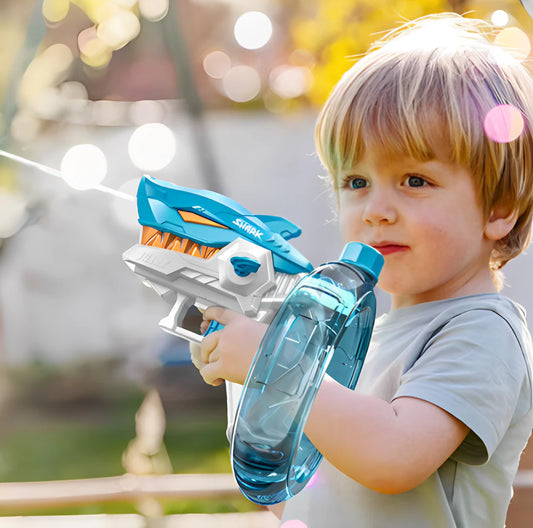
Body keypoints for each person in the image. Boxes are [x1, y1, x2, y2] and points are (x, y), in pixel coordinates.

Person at [191, 12, 533, 527]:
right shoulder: (361, 337)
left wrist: (269, 362)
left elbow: (393, 457)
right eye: (355, 182)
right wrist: (254, 373)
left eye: (415, 180)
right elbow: (294, 491)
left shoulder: (483, 331)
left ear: (499, 207)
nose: (375, 209)